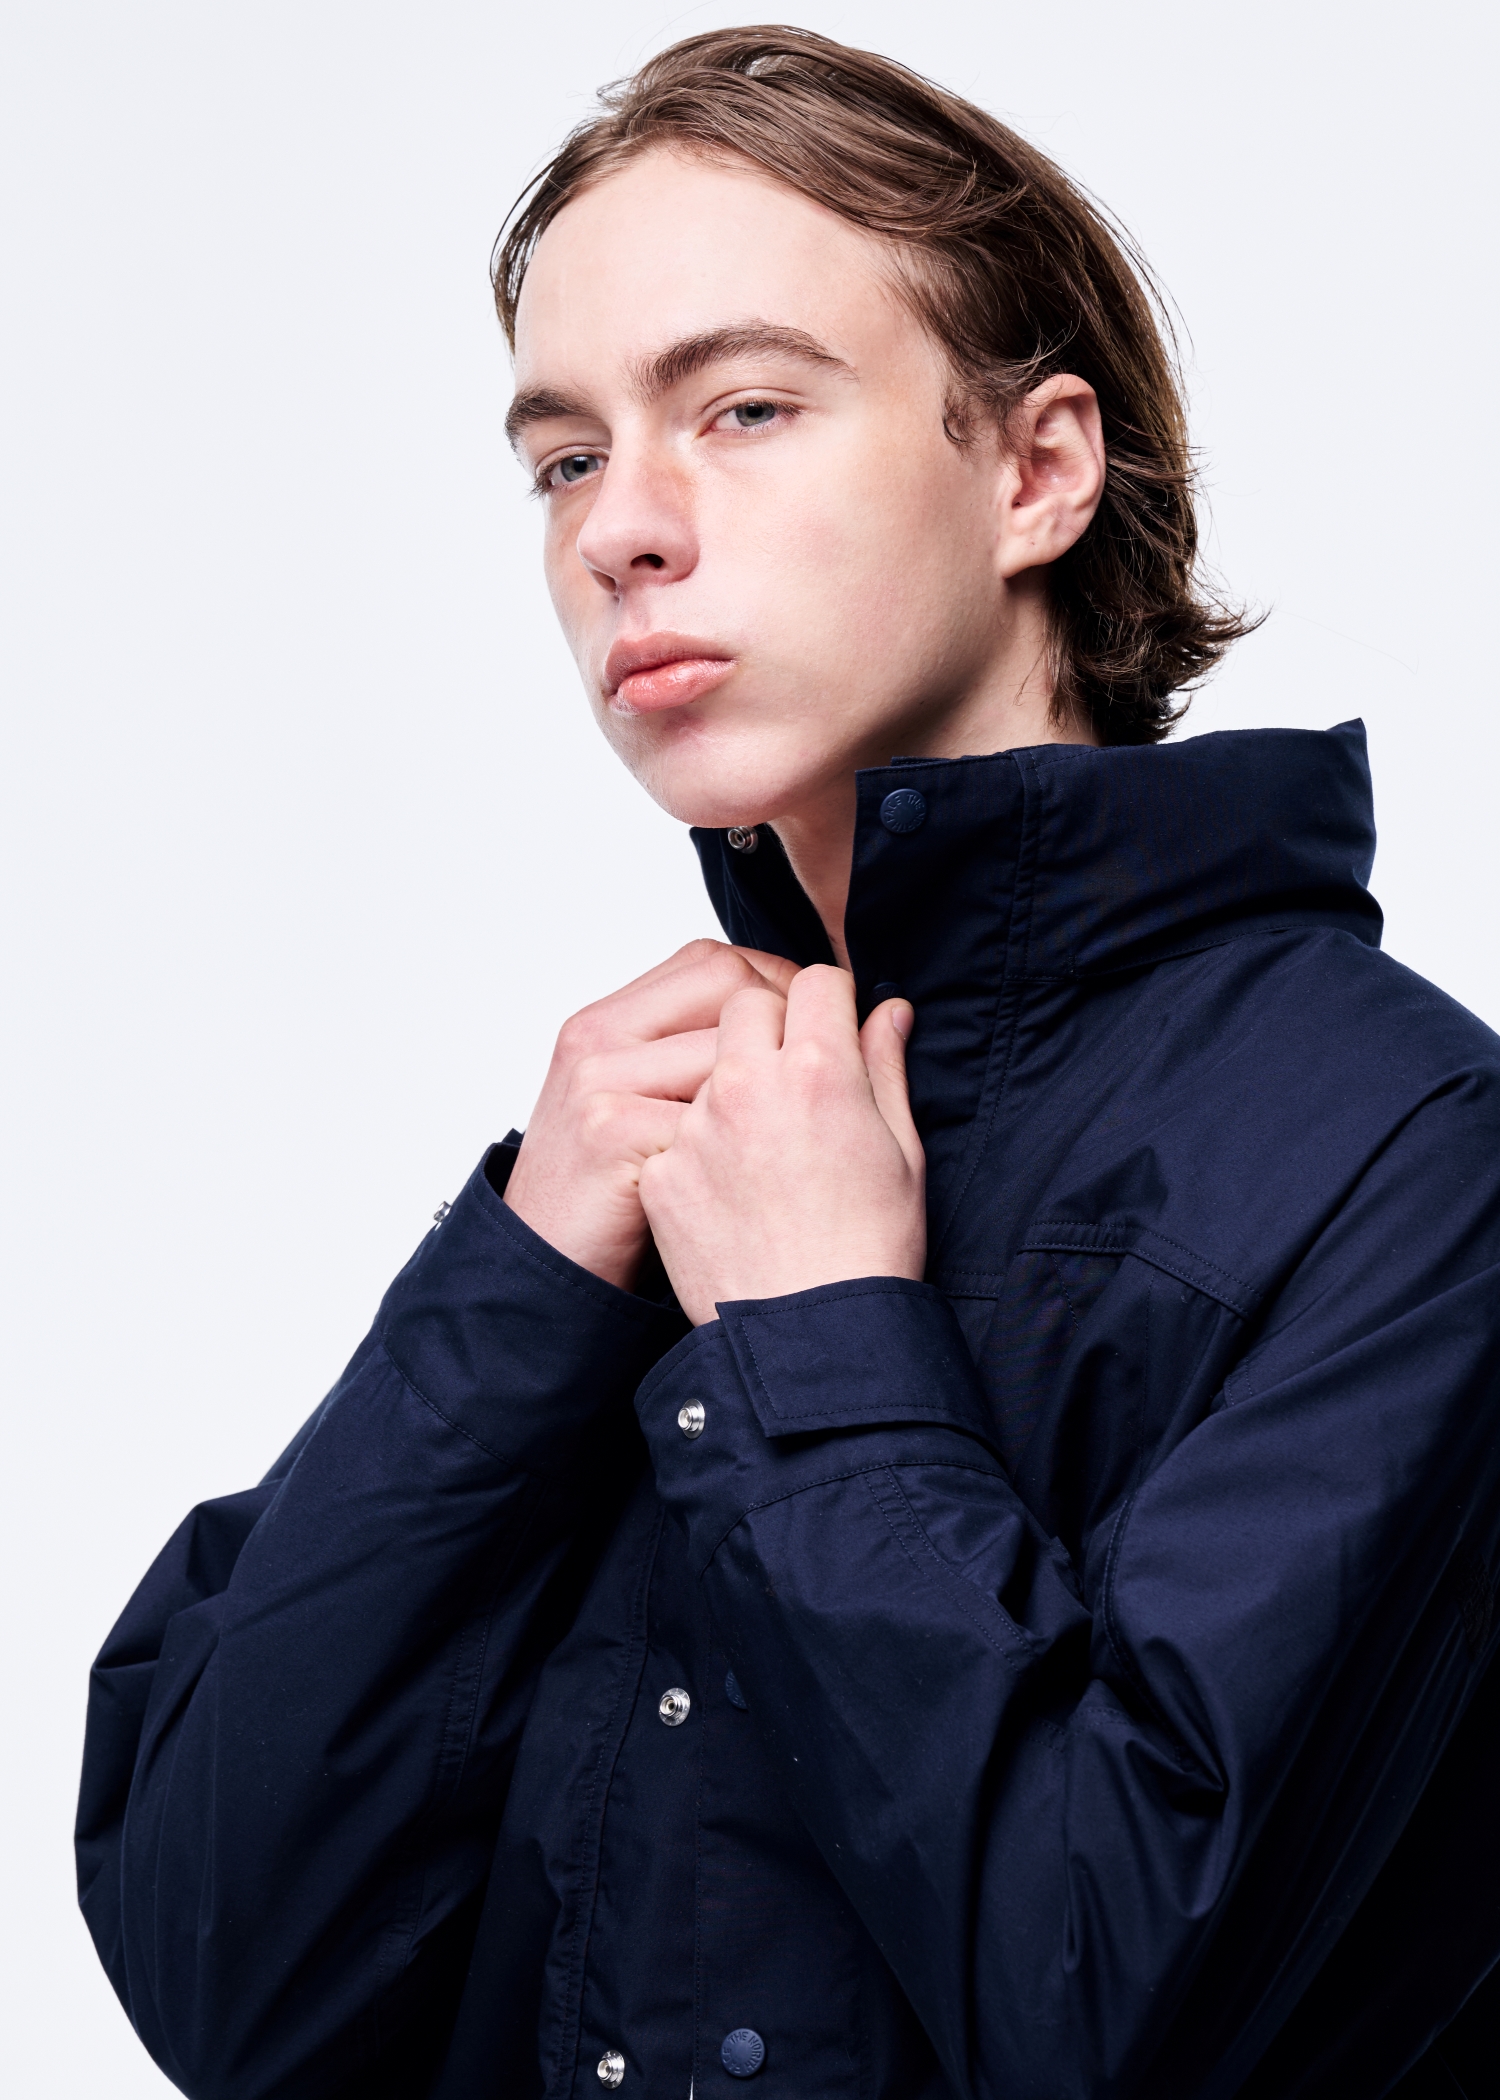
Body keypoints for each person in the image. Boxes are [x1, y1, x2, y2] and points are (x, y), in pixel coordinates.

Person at [76, 27, 1500, 2100]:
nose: (620, 532)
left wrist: (822, 1349)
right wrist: (519, 1283)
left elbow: (1125, 2016)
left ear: (1035, 472)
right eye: (565, 456)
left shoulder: (1411, 1155)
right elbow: (233, 1983)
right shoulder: (637, 1158)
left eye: (743, 407)